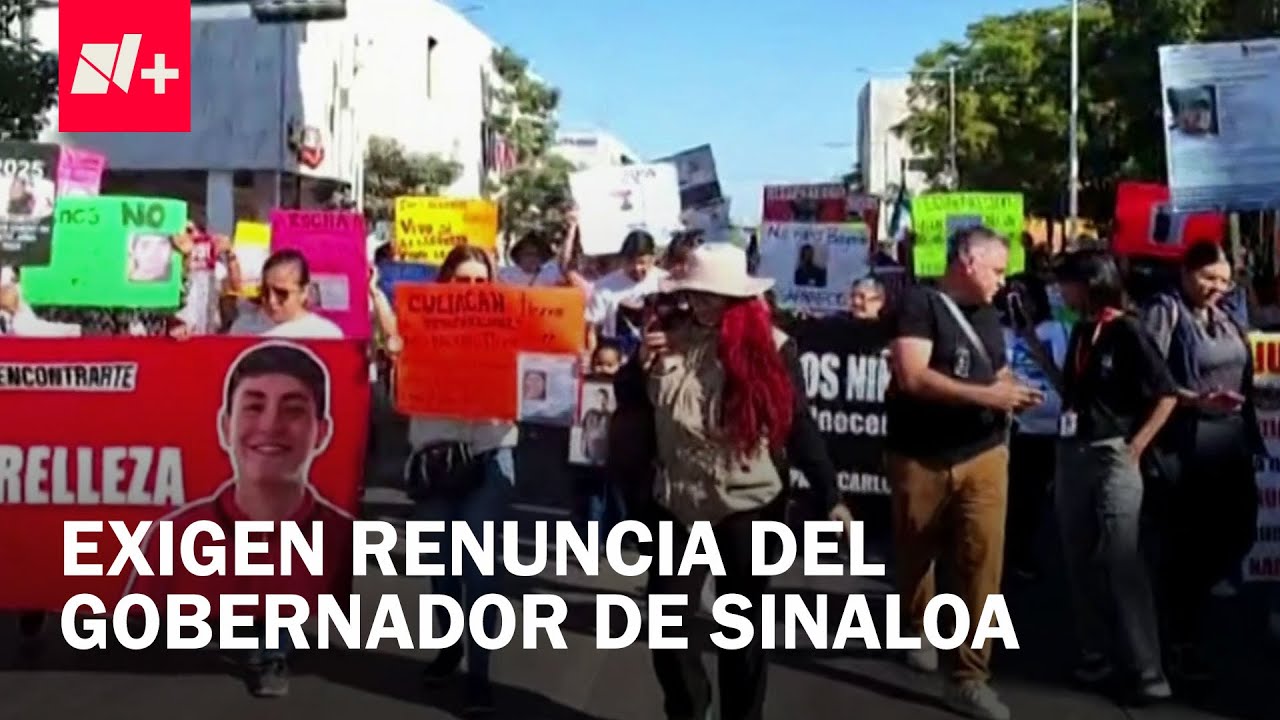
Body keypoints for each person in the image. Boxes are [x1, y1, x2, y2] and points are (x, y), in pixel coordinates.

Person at [613, 242, 851, 720]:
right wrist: (638, 363)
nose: (700, 304)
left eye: (712, 295)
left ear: (736, 297)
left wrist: (831, 496)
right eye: (694, 293)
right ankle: (689, 707)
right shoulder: (666, 336)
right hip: (678, 501)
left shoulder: (772, 347)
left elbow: (799, 425)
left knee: (741, 629)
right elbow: (630, 401)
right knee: (667, 622)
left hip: (748, 505)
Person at [125, 341, 354, 698]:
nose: (270, 425)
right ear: (225, 425)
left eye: (293, 410)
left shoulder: (338, 536)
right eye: (254, 407)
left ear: (322, 431)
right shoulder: (174, 536)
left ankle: (272, 652)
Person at [884, 226, 1040, 720]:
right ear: (968, 263)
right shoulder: (919, 304)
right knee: (916, 552)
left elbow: (995, 370)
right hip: (921, 455)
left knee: (982, 565)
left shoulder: (990, 313)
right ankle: (919, 622)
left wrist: (1012, 391)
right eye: (997, 270)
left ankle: (970, 676)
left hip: (983, 453)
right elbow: (913, 376)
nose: (1003, 280)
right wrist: (989, 396)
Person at [1054, 249, 1178, 703]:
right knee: (1078, 556)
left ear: (1089, 283)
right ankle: (1095, 653)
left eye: (1066, 283)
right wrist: (1034, 347)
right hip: (1073, 451)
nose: (1061, 293)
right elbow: (1075, 391)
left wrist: (1137, 446)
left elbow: (1165, 394)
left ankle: (1147, 666)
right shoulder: (1082, 330)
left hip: (1113, 453)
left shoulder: (1127, 330)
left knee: (1122, 557)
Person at [400, 244, 517, 716]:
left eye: (479, 282)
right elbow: (396, 376)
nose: (470, 291)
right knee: (443, 569)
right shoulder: (417, 326)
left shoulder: (512, 327)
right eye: (461, 281)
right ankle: (450, 649)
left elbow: (546, 376)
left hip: (489, 456)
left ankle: (480, 675)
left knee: (478, 570)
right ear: (444, 283)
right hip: (435, 458)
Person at [1141, 240, 1263, 683]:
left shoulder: (1226, 314)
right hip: (1185, 444)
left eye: (1224, 281)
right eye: (1209, 278)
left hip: (1230, 442)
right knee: (1185, 548)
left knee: (1239, 531)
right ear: (1186, 273)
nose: (1217, 287)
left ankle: (1183, 615)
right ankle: (1178, 642)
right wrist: (1196, 399)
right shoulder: (1165, 311)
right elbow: (1148, 375)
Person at [997, 273, 1068, 581]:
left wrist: (1031, 338)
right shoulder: (998, 331)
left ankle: (1023, 549)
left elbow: (1064, 380)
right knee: (1010, 493)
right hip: (1010, 425)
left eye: (1024, 296)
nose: (1019, 303)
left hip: (1045, 427)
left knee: (1032, 496)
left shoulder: (1056, 331)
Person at [227, 250, 344, 339]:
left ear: (303, 291)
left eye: (281, 293)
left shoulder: (326, 335)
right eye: (265, 291)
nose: (272, 300)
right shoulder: (242, 329)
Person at [586, 229, 668, 343]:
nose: (636, 268)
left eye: (642, 262)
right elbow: (593, 327)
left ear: (653, 259)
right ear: (622, 260)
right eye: (631, 262)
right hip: (614, 347)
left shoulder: (665, 281)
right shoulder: (604, 286)